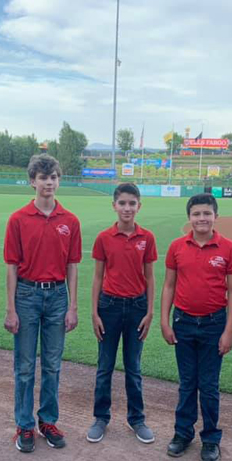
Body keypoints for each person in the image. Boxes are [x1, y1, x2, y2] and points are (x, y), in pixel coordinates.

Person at [4, 154, 81, 452]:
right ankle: (24, 426)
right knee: (24, 366)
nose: (49, 182)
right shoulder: (18, 219)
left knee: (52, 364)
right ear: (32, 181)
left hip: (58, 295)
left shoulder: (70, 220)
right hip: (26, 294)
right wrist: (10, 308)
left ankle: (48, 421)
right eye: (43, 177)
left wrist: (73, 306)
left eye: (53, 177)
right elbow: (11, 265)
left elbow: (73, 265)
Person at [160, 193, 232, 461]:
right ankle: (183, 434)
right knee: (187, 384)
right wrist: (164, 319)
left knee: (208, 385)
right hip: (183, 323)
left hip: (213, 324)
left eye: (207, 213)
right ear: (189, 217)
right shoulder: (177, 247)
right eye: (196, 214)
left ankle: (210, 438)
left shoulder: (228, 248)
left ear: (216, 216)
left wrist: (228, 330)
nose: (202, 218)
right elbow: (169, 285)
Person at [86, 183, 157, 444]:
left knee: (133, 367)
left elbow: (150, 278)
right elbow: (96, 278)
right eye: (123, 203)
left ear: (139, 206)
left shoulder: (147, 238)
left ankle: (136, 418)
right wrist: (94, 312)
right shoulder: (104, 238)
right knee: (104, 366)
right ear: (114, 205)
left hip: (137, 308)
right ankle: (100, 417)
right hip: (109, 307)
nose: (127, 208)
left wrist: (150, 312)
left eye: (132, 203)